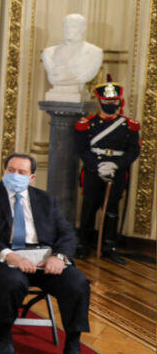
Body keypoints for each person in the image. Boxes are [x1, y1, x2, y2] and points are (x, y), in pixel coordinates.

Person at [0, 153, 90, 354]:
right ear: (4, 171)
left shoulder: (46, 200)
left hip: (43, 260)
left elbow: (67, 234)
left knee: (77, 283)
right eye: (10, 170)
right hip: (6, 259)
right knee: (11, 282)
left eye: (21, 172)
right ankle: (4, 336)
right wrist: (9, 256)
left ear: (32, 177)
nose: (15, 175)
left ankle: (73, 344)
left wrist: (59, 258)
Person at [74, 76, 140, 262]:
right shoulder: (86, 124)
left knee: (111, 208)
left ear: (119, 101)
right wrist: (97, 166)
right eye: (107, 101)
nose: (111, 104)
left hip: (117, 170)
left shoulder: (130, 125)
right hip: (94, 170)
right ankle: (83, 244)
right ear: (99, 101)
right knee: (89, 206)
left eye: (114, 101)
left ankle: (109, 246)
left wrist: (116, 165)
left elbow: (134, 150)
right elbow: (82, 149)